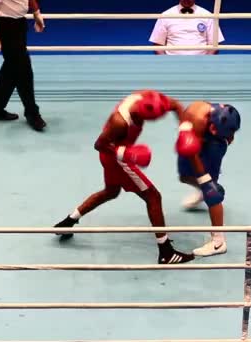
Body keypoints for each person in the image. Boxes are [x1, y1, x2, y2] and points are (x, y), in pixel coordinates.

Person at [54, 90, 195, 265]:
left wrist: (185, 131)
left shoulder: (151, 99)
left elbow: (177, 106)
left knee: (111, 192)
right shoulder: (119, 121)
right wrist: (126, 153)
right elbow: (99, 144)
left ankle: (68, 221)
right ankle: (166, 252)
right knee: (153, 196)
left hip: (116, 155)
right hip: (115, 157)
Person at [175, 101, 241, 257]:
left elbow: (228, 125)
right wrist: (203, 179)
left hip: (214, 144)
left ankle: (218, 242)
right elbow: (193, 154)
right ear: (212, 126)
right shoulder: (197, 119)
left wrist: (207, 183)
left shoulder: (222, 119)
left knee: (212, 192)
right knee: (184, 177)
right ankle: (203, 190)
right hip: (193, 138)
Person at [0, 0, 47, 131]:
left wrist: (36, 12)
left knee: (11, 69)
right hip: (5, 24)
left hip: (20, 23)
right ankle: (32, 113)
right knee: (24, 69)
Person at [149, 0, 225, 55]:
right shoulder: (165, 15)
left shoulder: (207, 15)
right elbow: (158, 44)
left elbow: (214, 44)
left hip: (201, 64)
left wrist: (206, 64)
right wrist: (166, 64)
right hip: (172, 64)